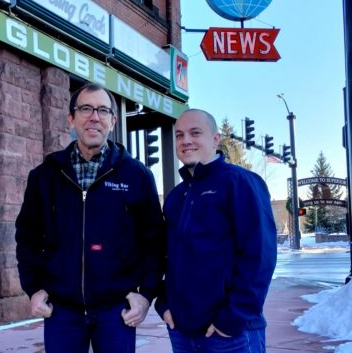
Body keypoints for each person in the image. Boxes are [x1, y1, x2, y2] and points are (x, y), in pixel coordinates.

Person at [15, 83, 164, 353]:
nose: (94, 117)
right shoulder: (45, 175)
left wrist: (145, 295)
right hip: (61, 311)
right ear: (71, 118)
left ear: (113, 121)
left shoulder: (137, 176)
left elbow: (153, 241)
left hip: (116, 310)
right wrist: (34, 287)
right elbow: (27, 237)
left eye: (103, 110)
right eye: (85, 108)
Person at [155, 109, 277, 353]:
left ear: (215, 139)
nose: (185, 140)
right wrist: (164, 304)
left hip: (231, 334)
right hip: (182, 331)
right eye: (179, 135)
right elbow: (165, 256)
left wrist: (233, 318)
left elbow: (260, 256)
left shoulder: (240, 182)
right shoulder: (177, 197)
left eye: (195, 133)